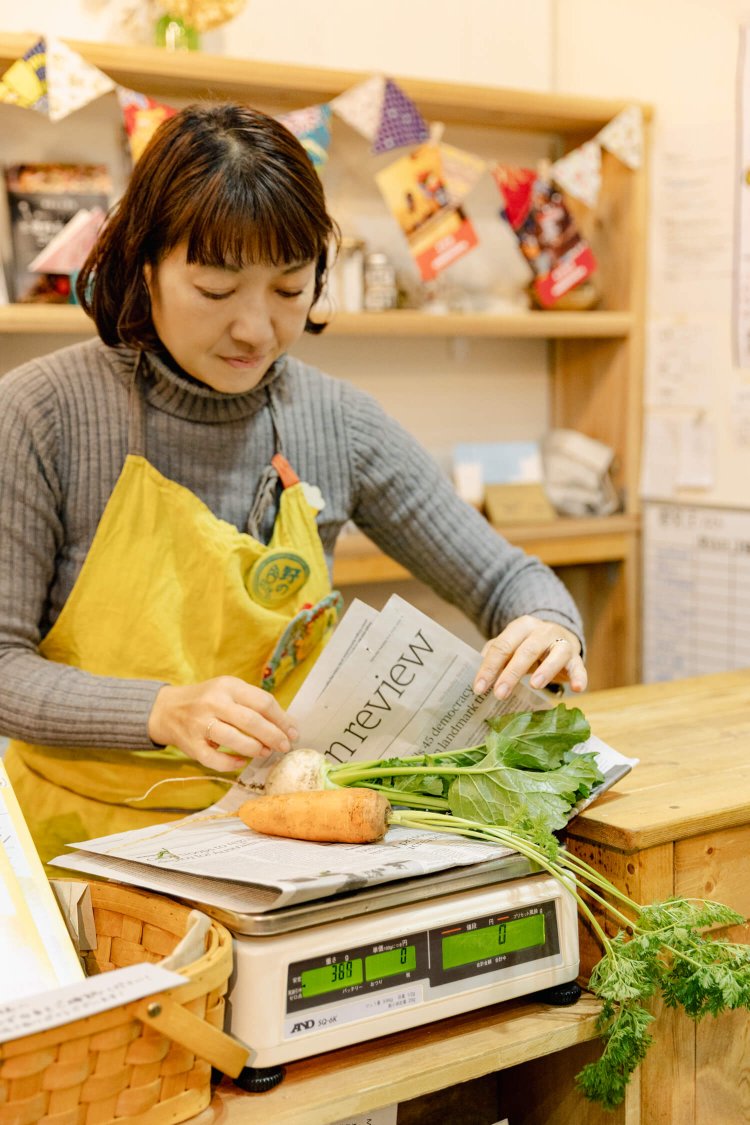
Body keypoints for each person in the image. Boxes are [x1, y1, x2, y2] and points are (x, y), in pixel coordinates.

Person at [0, 103, 587, 867]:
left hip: (279, 840)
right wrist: (162, 709)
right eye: (216, 290)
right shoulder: (42, 413)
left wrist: (547, 625)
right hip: (73, 849)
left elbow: (511, 578)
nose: (255, 328)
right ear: (144, 267)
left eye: (288, 288)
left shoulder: (336, 420)